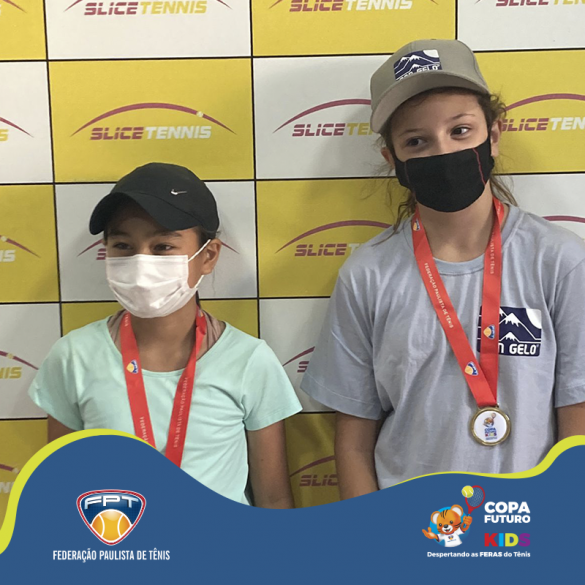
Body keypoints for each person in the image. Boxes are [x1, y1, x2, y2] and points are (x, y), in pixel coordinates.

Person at [300, 39, 585, 499]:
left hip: (522, 526)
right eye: (416, 141)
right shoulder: (368, 273)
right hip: (404, 528)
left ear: (493, 136)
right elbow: (353, 442)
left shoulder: (560, 260)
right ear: (393, 160)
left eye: (460, 130)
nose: (442, 151)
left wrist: (560, 523)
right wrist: (373, 534)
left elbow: (578, 426)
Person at [29, 162, 302, 507]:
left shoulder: (249, 360)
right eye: (123, 245)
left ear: (208, 256)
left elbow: (274, 500)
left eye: (162, 247)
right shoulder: (73, 357)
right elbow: (60, 489)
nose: (141, 263)